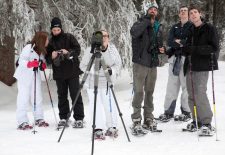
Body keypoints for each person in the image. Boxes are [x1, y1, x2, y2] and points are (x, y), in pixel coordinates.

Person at [183, 5, 219, 135]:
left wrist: (195, 49)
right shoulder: (190, 29)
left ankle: (206, 122)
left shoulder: (209, 28)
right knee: (191, 95)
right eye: (191, 13)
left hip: (203, 66)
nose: (193, 15)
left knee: (200, 93)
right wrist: (183, 48)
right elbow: (186, 46)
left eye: (195, 12)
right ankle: (196, 120)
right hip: (190, 66)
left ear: (200, 14)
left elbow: (214, 47)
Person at [130, 0, 165, 133]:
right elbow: (134, 33)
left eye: (155, 10)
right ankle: (136, 119)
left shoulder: (158, 26)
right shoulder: (140, 22)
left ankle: (149, 117)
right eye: (151, 9)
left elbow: (157, 43)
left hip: (152, 64)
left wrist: (162, 49)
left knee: (150, 92)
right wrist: (146, 22)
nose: (153, 11)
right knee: (139, 92)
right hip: (140, 63)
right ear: (146, 11)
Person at [80, 30, 122, 140]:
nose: (103, 38)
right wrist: (93, 71)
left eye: (105, 36)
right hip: (92, 82)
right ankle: (97, 128)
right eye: (100, 36)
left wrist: (111, 70)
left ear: (108, 37)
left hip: (107, 82)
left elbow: (118, 64)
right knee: (95, 105)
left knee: (109, 104)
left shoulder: (112, 49)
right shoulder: (90, 49)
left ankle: (112, 126)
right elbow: (82, 66)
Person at [46, 17, 84, 128]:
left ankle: (79, 118)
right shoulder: (50, 42)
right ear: (51, 30)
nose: (56, 32)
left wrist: (68, 52)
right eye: (54, 30)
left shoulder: (69, 37)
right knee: (62, 96)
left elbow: (77, 50)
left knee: (75, 95)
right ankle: (64, 118)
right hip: (59, 74)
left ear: (61, 28)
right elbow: (47, 59)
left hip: (72, 72)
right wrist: (51, 56)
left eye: (58, 30)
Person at [158, 6, 192, 122]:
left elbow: (190, 42)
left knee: (186, 87)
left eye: (185, 11)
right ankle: (168, 112)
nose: (183, 12)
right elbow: (170, 41)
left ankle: (186, 112)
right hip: (174, 59)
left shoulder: (192, 27)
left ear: (188, 14)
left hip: (186, 59)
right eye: (181, 11)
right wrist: (179, 43)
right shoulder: (174, 27)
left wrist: (180, 42)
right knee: (171, 86)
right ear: (179, 14)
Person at [14, 31, 49, 130]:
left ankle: (39, 118)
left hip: (34, 75)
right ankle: (22, 121)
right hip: (24, 76)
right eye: (46, 39)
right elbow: (21, 61)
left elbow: (41, 61)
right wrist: (29, 64)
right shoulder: (28, 48)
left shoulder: (41, 50)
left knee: (37, 97)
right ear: (42, 40)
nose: (48, 41)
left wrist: (42, 64)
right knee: (23, 98)